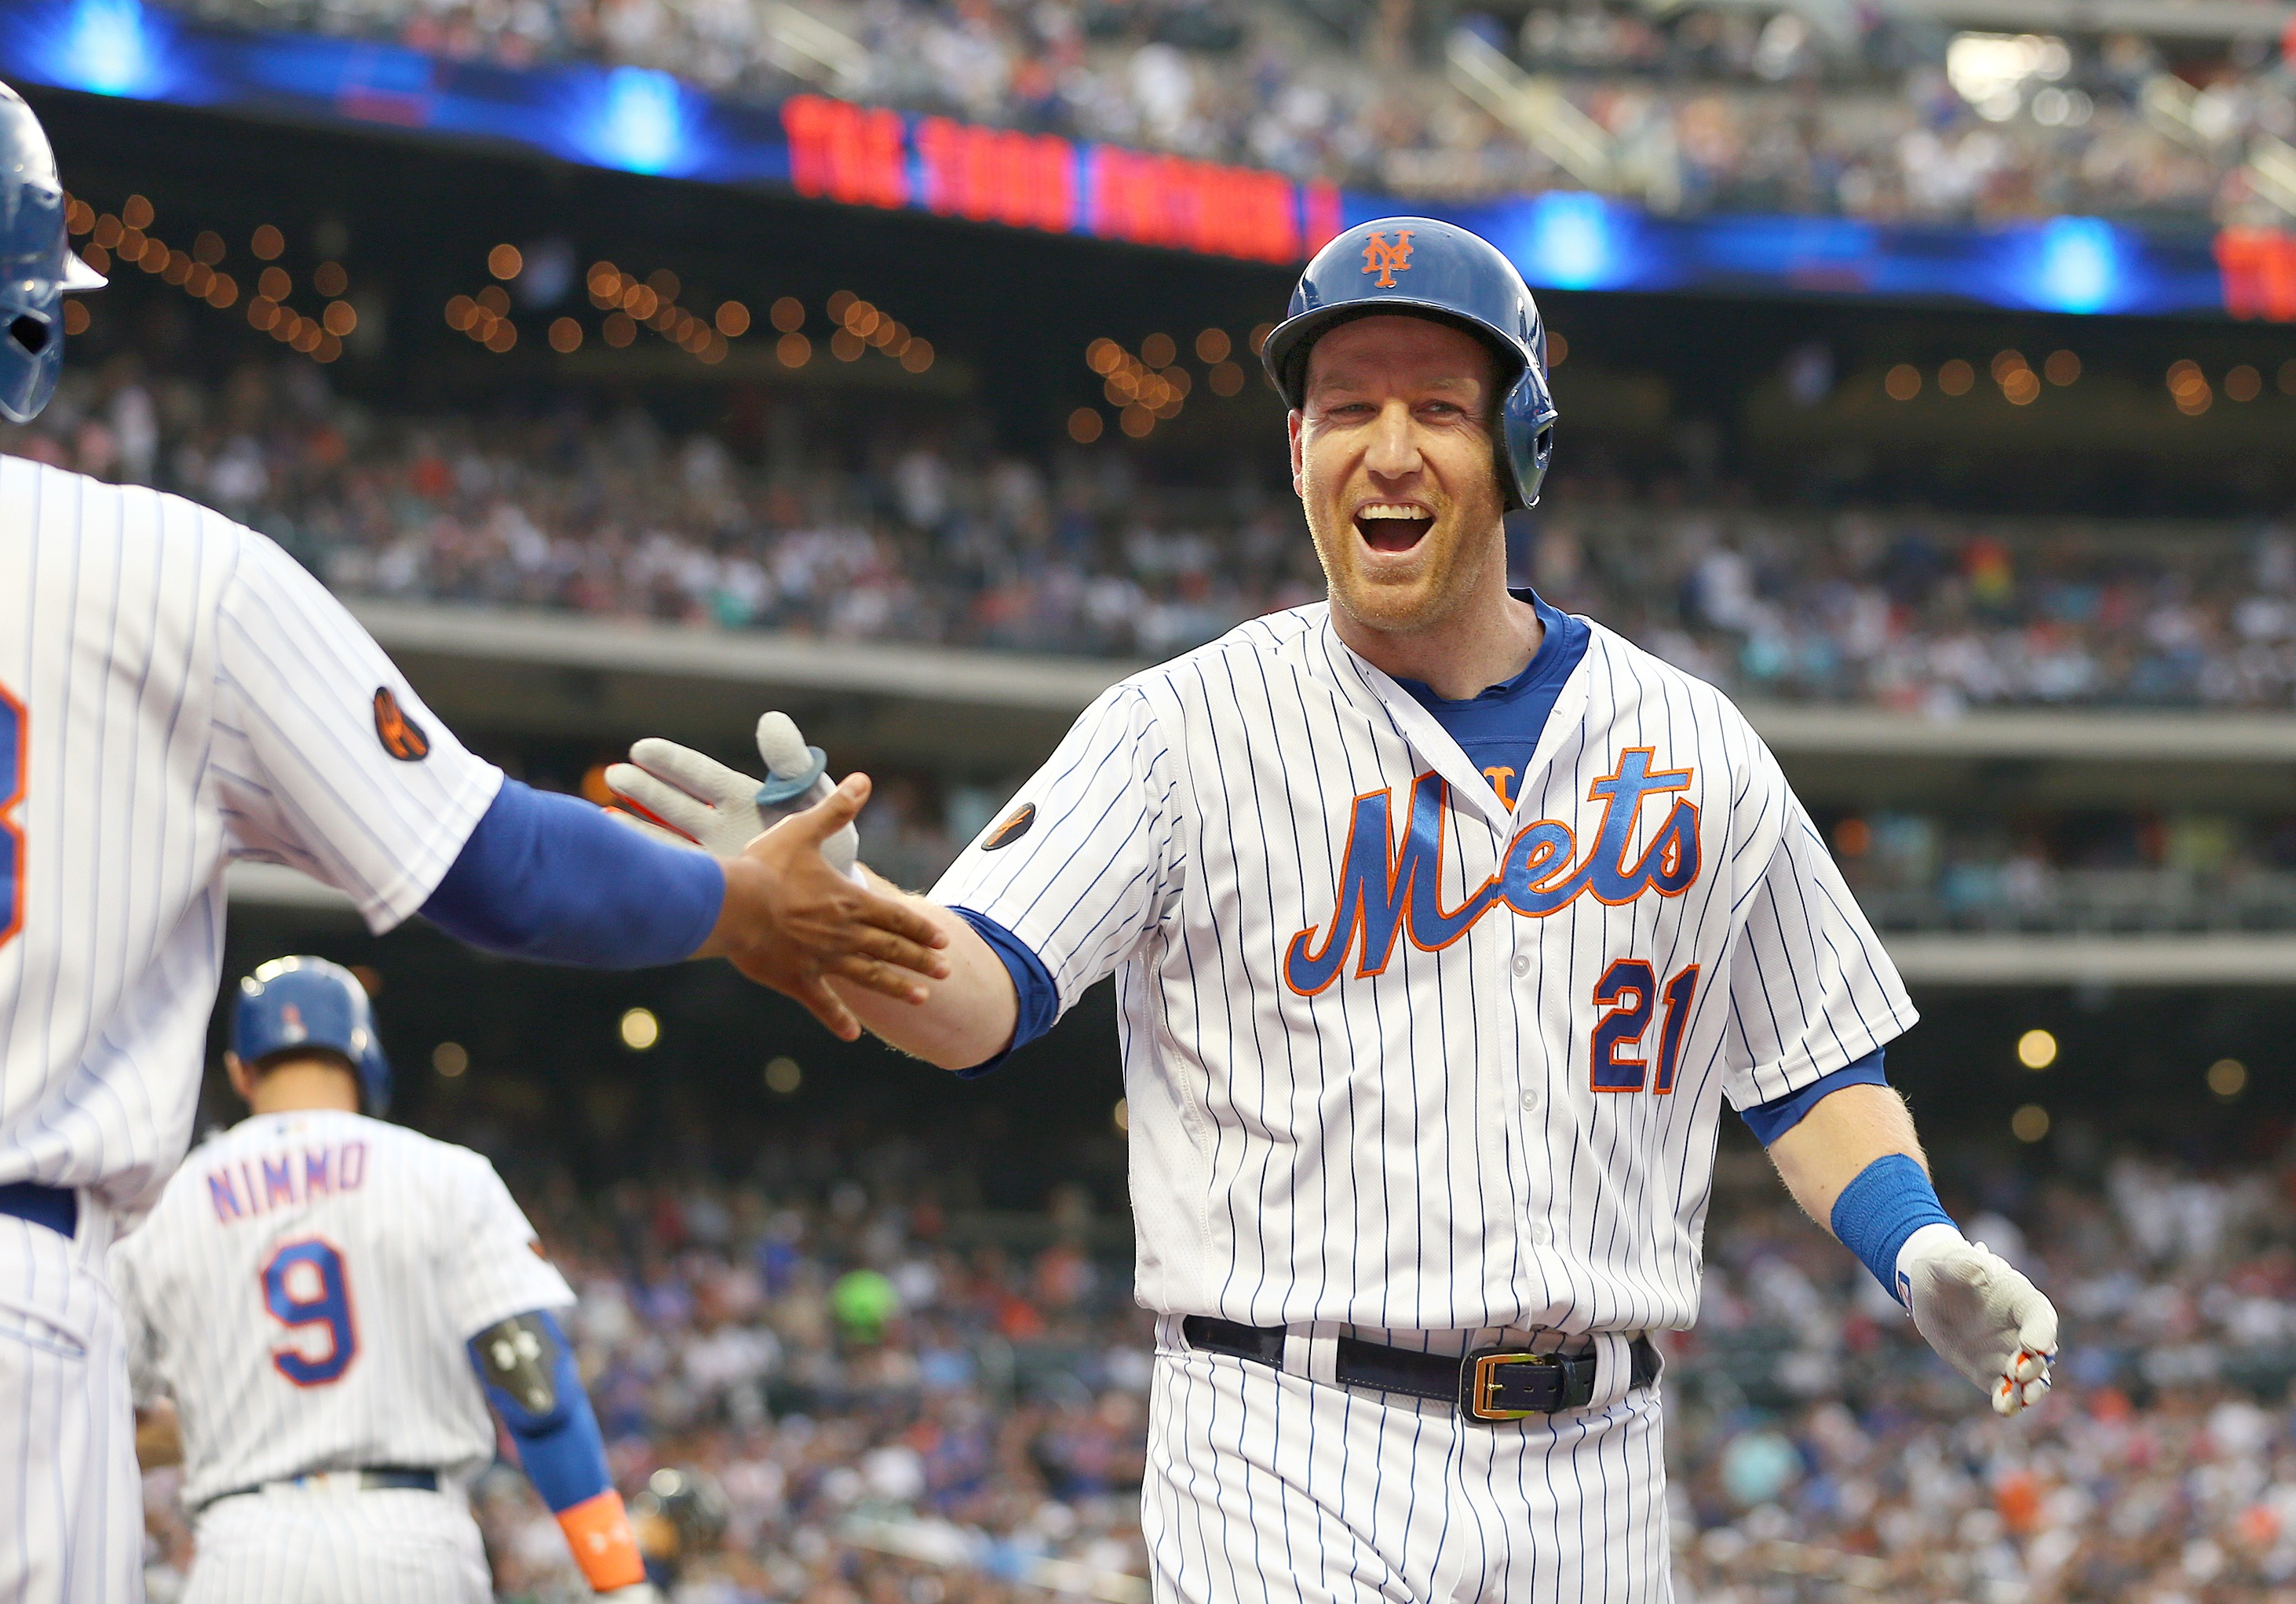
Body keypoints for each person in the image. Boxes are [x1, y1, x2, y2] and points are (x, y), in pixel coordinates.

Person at [610, 217, 2057, 1602]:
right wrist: (832, 901)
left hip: (1602, 1460)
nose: (1386, 444)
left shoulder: (1692, 739)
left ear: (1519, 446)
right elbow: (982, 993)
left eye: (1437, 403)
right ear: (1298, 450)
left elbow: (1809, 1060)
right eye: (1343, 404)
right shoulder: (1179, 728)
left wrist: (1913, 1236)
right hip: (1286, 1438)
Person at [0, 62, 947, 1601]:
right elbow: (504, 863)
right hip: (3, 1313)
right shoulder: (159, 569)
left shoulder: (216, 1199)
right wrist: (739, 902)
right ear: (18, 304)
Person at [112, 957, 655, 1602]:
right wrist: (616, 1576)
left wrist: (225, 1423)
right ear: (364, 1057)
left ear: (239, 1072)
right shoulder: (445, 1175)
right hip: (410, 1542)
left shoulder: (164, 1204)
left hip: (244, 1548)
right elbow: (535, 1390)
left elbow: (108, 1427)